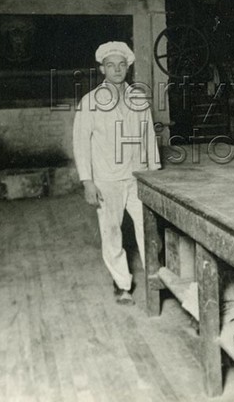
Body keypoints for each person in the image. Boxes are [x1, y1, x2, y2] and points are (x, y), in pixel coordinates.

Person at [72, 41, 161, 305]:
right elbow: (80, 141)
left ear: (128, 67)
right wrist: (87, 181)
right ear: (102, 69)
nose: (117, 70)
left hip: (137, 178)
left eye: (122, 65)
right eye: (111, 65)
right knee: (112, 234)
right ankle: (122, 284)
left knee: (148, 231)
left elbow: (148, 137)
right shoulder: (91, 101)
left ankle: (155, 279)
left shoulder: (138, 98)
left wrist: (153, 174)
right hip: (106, 180)